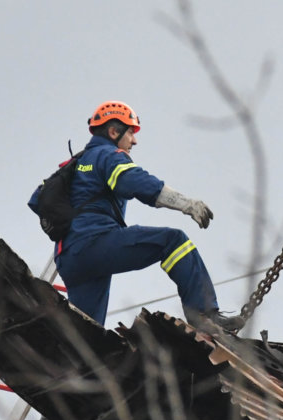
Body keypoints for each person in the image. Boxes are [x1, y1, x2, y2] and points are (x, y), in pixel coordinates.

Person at [32, 101, 241, 334]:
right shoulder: (107, 155)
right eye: (130, 132)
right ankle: (205, 316)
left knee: (85, 336)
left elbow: (38, 200)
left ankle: (72, 366)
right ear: (113, 131)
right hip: (94, 243)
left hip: (69, 258)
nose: (134, 140)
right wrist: (186, 204)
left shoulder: (77, 163)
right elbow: (135, 182)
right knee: (173, 242)